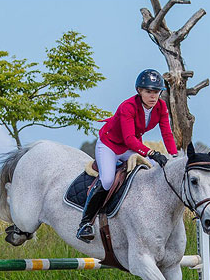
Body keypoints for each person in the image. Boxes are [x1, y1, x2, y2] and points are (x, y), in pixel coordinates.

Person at [76, 69, 178, 243]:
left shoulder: (161, 107)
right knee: (107, 180)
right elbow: (129, 139)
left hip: (130, 146)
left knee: (154, 169)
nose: (153, 96)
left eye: (156, 92)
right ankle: (85, 223)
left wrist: (173, 156)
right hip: (110, 145)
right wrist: (152, 152)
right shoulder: (128, 106)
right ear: (139, 91)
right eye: (148, 92)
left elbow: (167, 133)